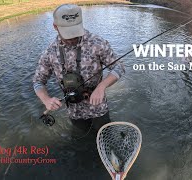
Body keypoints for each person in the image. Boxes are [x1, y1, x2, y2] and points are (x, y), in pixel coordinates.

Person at [33, 4, 124, 135]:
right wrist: (46, 99)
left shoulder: (97, 43)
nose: (72, 38)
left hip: (99, 108)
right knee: (83, 143)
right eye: (67, 34)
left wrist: (101, 87)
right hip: (74, 113)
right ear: (55, 27)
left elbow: (119, 66)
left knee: (106, 136)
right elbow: (38, 81)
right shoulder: (49, 52)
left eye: (75, 32)